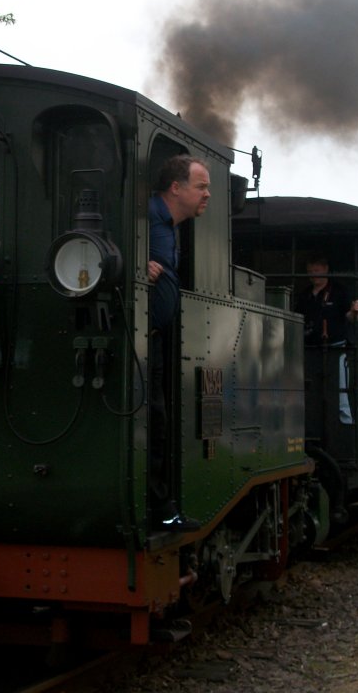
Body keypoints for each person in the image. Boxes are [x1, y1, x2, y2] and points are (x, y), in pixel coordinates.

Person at [147, 155, 210, 530]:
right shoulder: (147, 220)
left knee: (160, 419)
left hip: (154, 338)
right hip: (137, 342)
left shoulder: (169, 227)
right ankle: (158, 508)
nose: (206, 195)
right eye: (201, 187)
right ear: (176, 187)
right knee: (154, 421)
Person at [295, 255, 358, 424]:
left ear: (325, 269)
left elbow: (351, 317)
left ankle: (344, 426)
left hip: (336, 350)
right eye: (310, 272)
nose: (313, 275)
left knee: (340, 394)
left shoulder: (339, 291)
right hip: (310, 350)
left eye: (316, 271)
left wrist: (355, 312)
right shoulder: (304, 295)